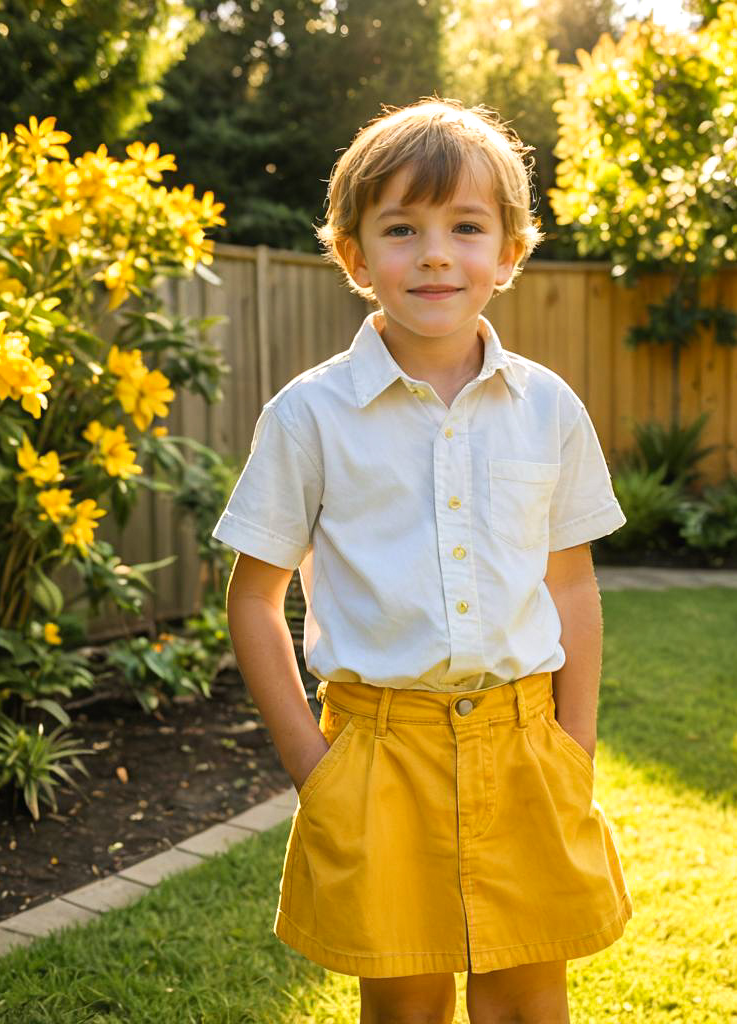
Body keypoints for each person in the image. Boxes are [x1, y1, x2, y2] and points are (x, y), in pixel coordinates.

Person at [212, 96, 633, 1024]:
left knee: (528, 995)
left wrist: (575, 746)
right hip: (376, 750)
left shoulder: (548, 407)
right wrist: (310, 764)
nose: (435, 253)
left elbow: (571, 584)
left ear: (510, 252)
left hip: (528, 747)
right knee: (403, 1002)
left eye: (466, 227)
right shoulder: (308, 416)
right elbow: (254, 600)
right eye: (402, 228)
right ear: (356, 257)